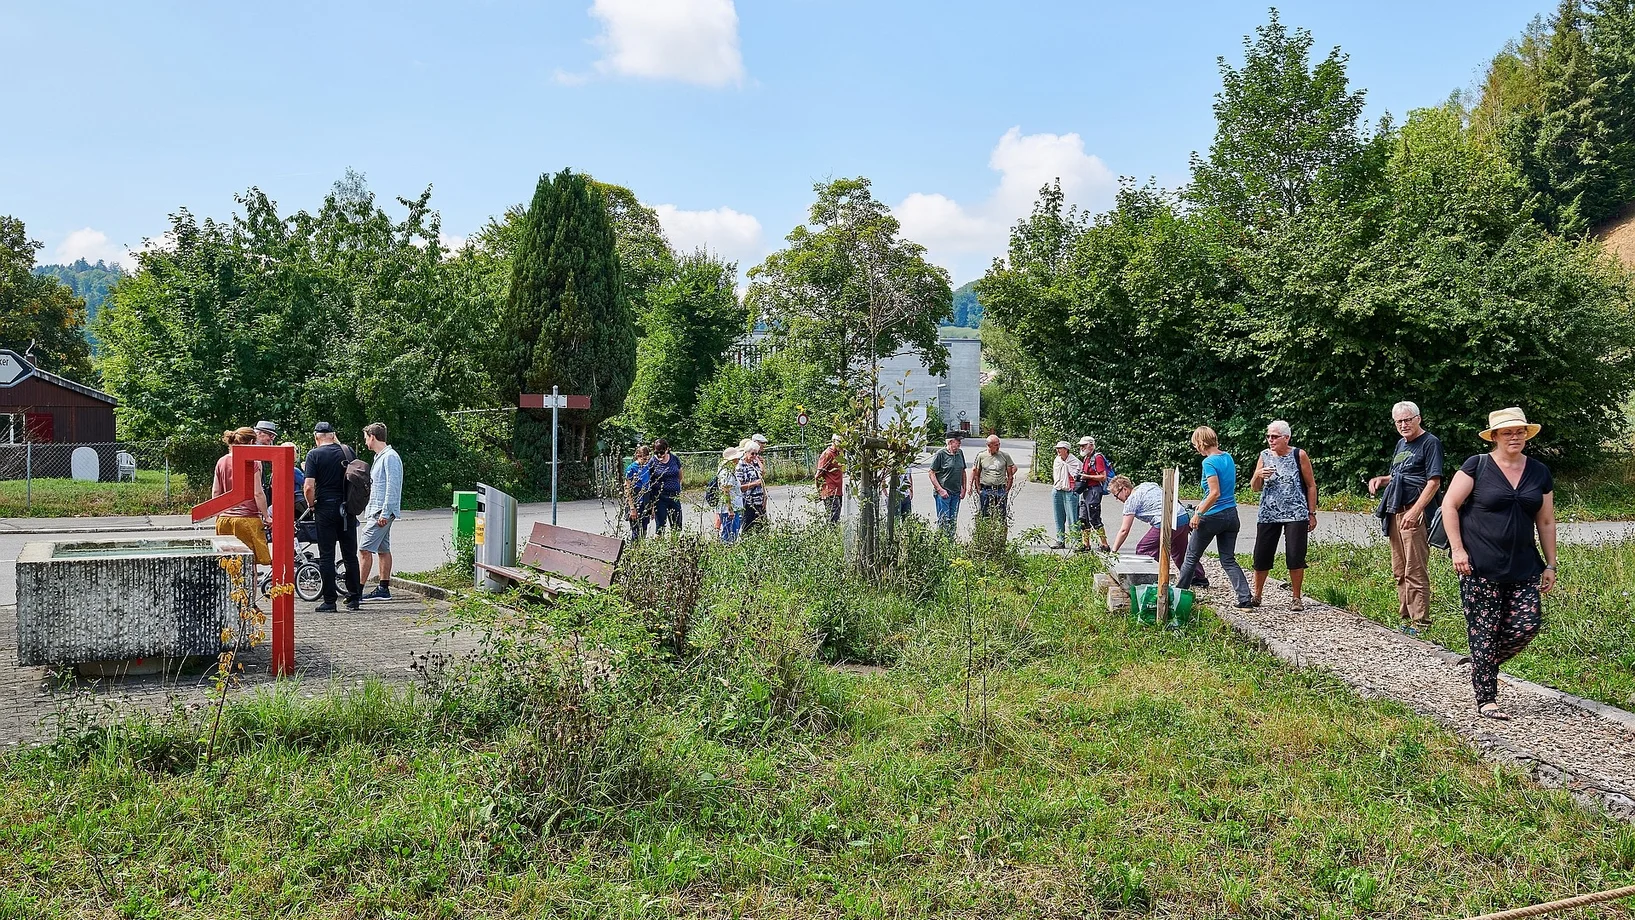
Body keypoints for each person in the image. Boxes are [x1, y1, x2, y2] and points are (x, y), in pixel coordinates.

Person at [1441, 408, 1558, 720]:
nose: (1514, 437)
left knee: (1526, 626)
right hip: (1479, 565)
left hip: (1524, 566)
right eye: (1507, 432)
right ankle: (1486, 698)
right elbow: (1450, 505)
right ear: (1494, 437)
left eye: (1519, 431)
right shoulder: (1476, 466)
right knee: (1485, 629)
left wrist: (1551, 564)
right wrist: (1457, 550)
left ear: (1527, 435)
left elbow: (1545, 521)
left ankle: (1482, 661)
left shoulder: (1539, 472)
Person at [1367, 400, 1445, 636]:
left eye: (1407, 420)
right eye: (1399, 421)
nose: (1403, 425)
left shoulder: (1430, 443)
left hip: (1414, 512)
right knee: (1399, 569)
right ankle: (1405, 618)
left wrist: (1416, 511)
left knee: (1415, 568)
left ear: (1418, 419)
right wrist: (1383, 480)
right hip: (1395, 509)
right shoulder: (1401, 444)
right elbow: (1400, 476)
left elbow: (1434, 481)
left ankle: (1420, 621)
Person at [1177, 426, 1253, 608]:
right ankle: (1245, 598)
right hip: (1231, 515)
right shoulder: (1228, 457)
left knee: (1191, 557)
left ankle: (1178, 596)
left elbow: (1214, 493)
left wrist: (1198, 513)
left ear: (1201, 443)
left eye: (1195, 444)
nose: (1195, 448)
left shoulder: (1208, 463)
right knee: (1227, 559)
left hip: (1212, 516)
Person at [1249, 420, 1319, 610]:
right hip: (1268, 513)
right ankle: (1257, 595)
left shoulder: (1299, 454)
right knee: (1261, 555)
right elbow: (1255, 488)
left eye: (1275, 436)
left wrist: (1311, 513)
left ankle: (1296, 597)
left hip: (1296, 512)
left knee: (1295, 556)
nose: (1270, 440)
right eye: (1268, 436)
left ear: (1286, 438)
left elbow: (1311, 485)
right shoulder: (1264, 456)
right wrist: (1258, 475)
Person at [303, 421, 362, 612]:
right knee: (350, 554)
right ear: (333, 434)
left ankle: (329, 601)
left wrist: (311, 505)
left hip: (325, 508)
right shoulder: (347, 451)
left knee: (327, 555)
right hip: (347, 508)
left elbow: (309, 486)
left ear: (316, 437)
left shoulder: (314, 455)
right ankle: (354, 598)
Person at [1108, 475, 1205, 585]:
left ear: (1124, 489)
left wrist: (1114, 551)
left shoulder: (1131, 501)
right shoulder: (1147, 485)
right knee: (1179, 551)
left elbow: (1124, 530)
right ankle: (1198, 578)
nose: (1117, 499)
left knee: (1144, 549)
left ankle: (1150, 579)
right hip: (1183, 516)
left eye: (1116, 495)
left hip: (1166, 522)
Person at [212, 427, 270, 583]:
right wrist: (266, 516)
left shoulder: (221, 461)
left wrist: (219, 516)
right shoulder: (253, 462)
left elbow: (216, 493)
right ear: (251, 442)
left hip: (224, 520)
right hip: (247, 520)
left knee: (230, 566)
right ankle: (249, 605)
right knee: (249, 567)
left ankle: (231, 603)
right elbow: (258, 493)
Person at [358, 423, 403, 601]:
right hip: (377, 511)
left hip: (381, 513)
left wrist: (385, 513)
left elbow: (393, 486)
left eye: (365, 439)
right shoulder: (380, 456)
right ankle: (383, 589)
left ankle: (357, 591)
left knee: (364, 549)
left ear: (372, 437)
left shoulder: (390, 457)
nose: (365, 443)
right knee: (383, 549)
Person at [1075, 436, 1112, 553]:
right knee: (1083, 518)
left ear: (1091, 445)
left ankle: (1105, 545)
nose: (1081, 447)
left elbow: (1103, 476)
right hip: (1086, 490)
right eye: (1081, 446)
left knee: (1094, 518)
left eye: (1083, 445)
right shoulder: (1087, 458)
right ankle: (1086, 545)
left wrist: (1087, 477)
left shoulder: (1097, 458)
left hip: (1094, 490)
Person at [928, 432, 967, 537]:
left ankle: (950, 545)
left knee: (953, 520)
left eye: (960, 441)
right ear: (950, 442)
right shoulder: (940, 454)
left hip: (956, 493)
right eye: (957, 441)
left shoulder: (960, 453)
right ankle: (941, 545)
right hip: (944, 493)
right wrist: (940, 490)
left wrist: (964, 488)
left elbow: (963, 471)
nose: (959, 443)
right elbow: (931, 473)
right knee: (944, 520)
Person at [969, 435, 1017, 521]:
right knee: (985, 516)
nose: (998, 447)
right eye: (995, 445)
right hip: (985, 489)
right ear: (988, 445)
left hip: (1000, 489)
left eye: (999, 444)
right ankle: (985, 534)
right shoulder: (981, 456)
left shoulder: (1005, 456)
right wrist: (977, 488)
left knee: (1001, 517)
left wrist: (1007, 489)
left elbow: (1012, 471)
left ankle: (1001, 533)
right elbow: (976, 472)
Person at [1049, 441, 1081, 550]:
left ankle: (1076, 541)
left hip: (1070, 491)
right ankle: (1060, 540)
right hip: (1057, 489)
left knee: (1073, 517)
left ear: (1066, 449)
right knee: (1058, 516)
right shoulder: (1057, 460)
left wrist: (1074, 488)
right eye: (1057, 448)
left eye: (1060, 448)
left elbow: (1078, 476)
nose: (1058, 450)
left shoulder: (1075, 461)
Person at [650, 439, 684, 535]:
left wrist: (677, 488)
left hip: (674, 496)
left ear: (667, 449)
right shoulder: (652, 461)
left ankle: (675, 546)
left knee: (677, 525)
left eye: (662, 452)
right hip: (660, 497)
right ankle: (660, 547)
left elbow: (680, 476)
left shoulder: (674, 459)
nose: (659, 455)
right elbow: (648, 480)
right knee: (660, 526)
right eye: (656, 452)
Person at [714, 446, 745, 543]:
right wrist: (730, 509)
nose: (738, 460)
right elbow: (725, 491)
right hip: (728, 509)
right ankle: (726, 551)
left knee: (733, 532)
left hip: (734, 507)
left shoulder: (729, 471)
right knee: (729, 534)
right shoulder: (726, 473)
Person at [625, 446, 656, 540]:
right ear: (638, 456)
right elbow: (627, 489)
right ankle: (634, 552)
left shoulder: (648, 468)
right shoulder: (631, 469)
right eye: (644, 458)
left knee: (644, 531)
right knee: (636, 532)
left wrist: (652, 507)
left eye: (648, 458)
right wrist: (632, 508)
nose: (646, 461)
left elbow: (650, 488)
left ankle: (641, 552)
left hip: (646, 501)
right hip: (635, 500)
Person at [737, 439, 768, 533]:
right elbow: (740, 487)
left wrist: (765, 497)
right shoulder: (740, 466)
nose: (754, 456)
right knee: (748, 527)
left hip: (759, 500)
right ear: (746, 452)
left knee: (763, 528)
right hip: (749, 502)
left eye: (756, 453)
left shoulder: (754, 463)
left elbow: (762, 473)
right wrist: (755, 483)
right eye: (752, 454)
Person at [815, 434, 844, 523]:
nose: (841, 445)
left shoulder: (839, 454)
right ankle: (832, 534)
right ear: (833, 441)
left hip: (838, 490)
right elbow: (818, 475)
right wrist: (819, 491)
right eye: (839, 442)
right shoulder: (827, 454)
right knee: (833, 517)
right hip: (829, 491)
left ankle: (834, 534)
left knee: (837, 515)